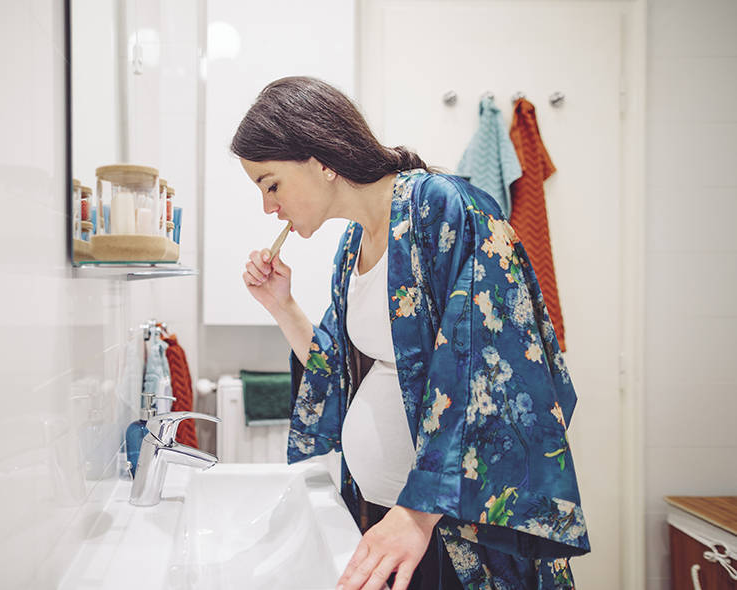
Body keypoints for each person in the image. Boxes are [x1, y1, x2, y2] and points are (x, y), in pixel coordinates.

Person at [234, 76, 590, 590]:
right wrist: (283, 306)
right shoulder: (351, 250)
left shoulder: (444, 208)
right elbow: (341, 377)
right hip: (390, 519)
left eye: (272, 184)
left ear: (320, 159)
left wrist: (418, 512)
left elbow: (497, 371)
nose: (269, 207)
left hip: (451, 530)